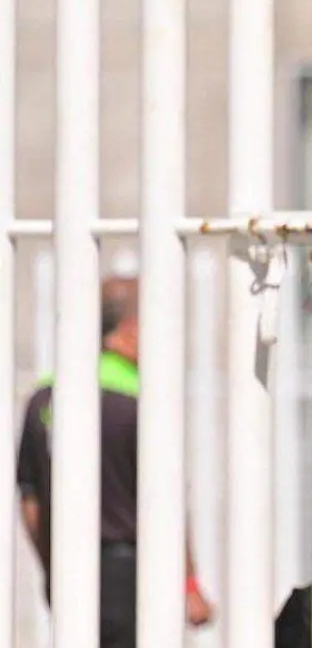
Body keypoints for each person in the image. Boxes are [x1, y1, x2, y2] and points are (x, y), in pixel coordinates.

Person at [15, 276, 213, 648]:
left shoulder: (45, 397)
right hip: (131, 575)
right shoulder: (139, 402)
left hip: (67, 567)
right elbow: (164, 502)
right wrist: (188, 584)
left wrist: (52, 568)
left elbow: (31, 502)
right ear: (132, 329)